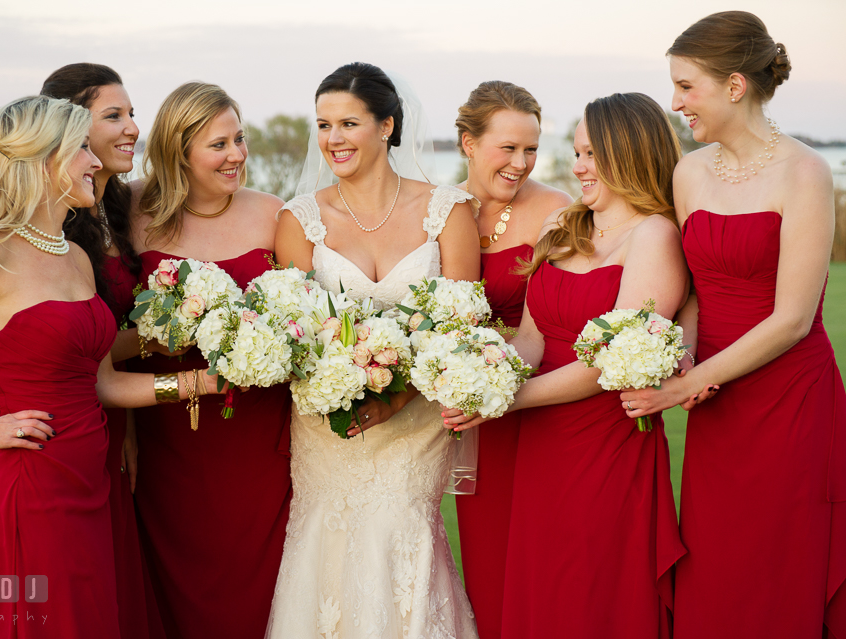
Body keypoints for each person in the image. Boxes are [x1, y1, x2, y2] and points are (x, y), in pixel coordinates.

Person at [0, 95, 221, 639]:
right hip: (32, 479)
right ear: (43, 159)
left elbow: (103, 384)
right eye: (82, 149)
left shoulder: (76, 256)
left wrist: (202, 382)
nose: (96, 162)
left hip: (91, 478)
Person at [620, 11, 846, 637]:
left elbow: (793, 319)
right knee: (719, 564)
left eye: (686, 86)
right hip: (716, 406)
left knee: (781, 563)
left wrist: (680, 386)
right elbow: (693, 292)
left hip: (790, 402)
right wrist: (682, 358)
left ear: (735, 85)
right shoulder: (689, 171)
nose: (676, 103)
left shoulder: (806, 173)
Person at [444, 93, 688, 638]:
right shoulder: (563, 224)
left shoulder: (654, 237)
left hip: (600, 440)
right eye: (577, 153)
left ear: (631, 153)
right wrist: (486, 379)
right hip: (537, 437)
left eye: (593, 155)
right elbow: (531, 336)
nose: (577, 167)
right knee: (538, 585)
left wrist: (508, 400)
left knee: (588, 587)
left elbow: (610, 365)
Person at [269, 61, 480, 638]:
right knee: (325, 544)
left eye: (348, 123)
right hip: (329, 427)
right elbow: (296, 333)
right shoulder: (300, 220)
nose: (333, 139)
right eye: (323, 125)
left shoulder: (448, 212)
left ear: (387, 126)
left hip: (414, 423)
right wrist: (337, 380)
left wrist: (397, 395)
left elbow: (460, 329)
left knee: (402, 537)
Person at [128, 81, 292, 639]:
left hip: (258, 430)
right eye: (219, 145)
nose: (238, 155)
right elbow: (105, 331)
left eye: (240, 139)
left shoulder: (274, 215)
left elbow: (305, 317)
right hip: (166, 431)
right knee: (173, 579)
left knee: (264, 579)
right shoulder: (132, 213)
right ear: (180, 151)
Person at [40, 62, 166, 639]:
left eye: (132, 113)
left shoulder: (118, 208)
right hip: (74, 429)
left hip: (119, 421)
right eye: (113, 115)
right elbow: (84, 350)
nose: (132, 128)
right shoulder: (51, 228)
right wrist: (185, 330)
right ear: (66, 131)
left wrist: (133, 428)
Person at [452, 80, 571, 639]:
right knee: (484, 553)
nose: (522, 163)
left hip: (536, 404)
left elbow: (559, 319)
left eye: (531, 148)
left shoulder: (557, 212)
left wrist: (495, 378)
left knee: (541, 556)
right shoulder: (438, 211)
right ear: (467, 143)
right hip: (463, 409)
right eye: (508, 148)